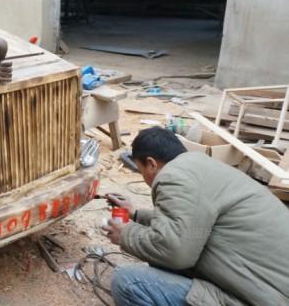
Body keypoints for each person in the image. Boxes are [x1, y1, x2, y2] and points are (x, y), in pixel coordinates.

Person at [102, 126, 289, 306]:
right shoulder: (201, 168)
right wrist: (135, 215)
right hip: (270, 292)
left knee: (128, 282)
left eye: (141, 170)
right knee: (160, 258)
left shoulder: (173, 176)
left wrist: (126, 234)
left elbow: (175, 252)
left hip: (261, 299)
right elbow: (190, 228)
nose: (144, 177)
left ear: (151, 163)